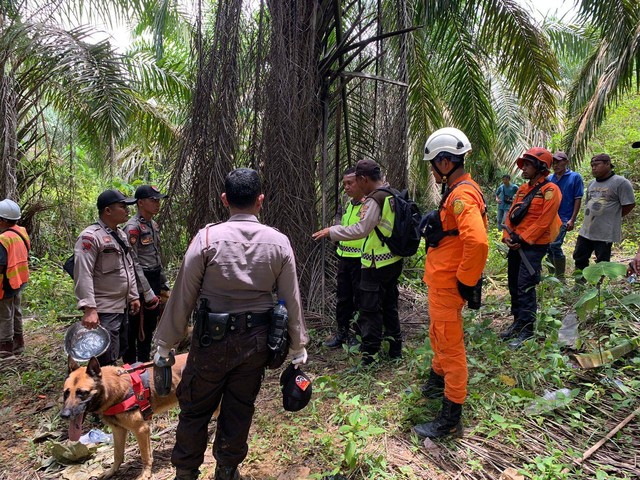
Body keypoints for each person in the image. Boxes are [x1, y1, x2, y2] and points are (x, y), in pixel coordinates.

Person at [152, 168, 308, 480]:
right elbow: (291, 299)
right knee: (239, 408)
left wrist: (164, 345)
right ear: (260, 201)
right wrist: (298, 349)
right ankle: (226, 470)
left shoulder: (207, 239)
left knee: (194, 409)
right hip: (257, 344)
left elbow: (183, 295)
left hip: (211, 342)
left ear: (225, 200)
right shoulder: (279, 242)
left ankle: (185, 473)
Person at [412, 128, 489, 439]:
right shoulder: (458, 190)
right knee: (439, 334)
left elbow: (479, 243)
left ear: (445, 163)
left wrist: (464, 282)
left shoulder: (461, 195)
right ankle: (436, 379)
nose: (432, 171)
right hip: (442, 281)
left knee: (450, 344)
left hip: (449, 284)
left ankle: (450, 417)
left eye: (433, 165)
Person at [312, 158, 403, 366]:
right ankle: (394, 349)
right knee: (388, 305)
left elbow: (362, 229)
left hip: (374, 262)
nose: (351, 187)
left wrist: (331, 231)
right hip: (392, 260)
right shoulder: (393, 194)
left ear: (363, 179)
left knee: (370, 309)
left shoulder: (375, 199)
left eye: (355, 182)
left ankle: (369, 356)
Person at [501, 148, 561, 349]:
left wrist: (523, 239)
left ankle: (527, 330)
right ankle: (517, 323)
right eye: (523, 165)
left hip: (534, 247)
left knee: (525, 285)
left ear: (540, 167)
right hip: (516, 244)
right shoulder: (522, 189)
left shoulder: (550, 190)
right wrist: (507, 236)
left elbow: (545, 221)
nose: (523, 169)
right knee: (513, 283)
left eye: (528, 165)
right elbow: (511, 214)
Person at [74, 190, 141, 366]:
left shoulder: (121, 234)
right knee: (104, 355)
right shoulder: (90, 236)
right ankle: (100, 388)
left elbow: (129, 267)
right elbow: (83, 273)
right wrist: (90, 308)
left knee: (118, 349)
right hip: (104, 307)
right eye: (122, 206)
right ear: (107, 211)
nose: (127, 210)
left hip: (121, 305)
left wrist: (133, 295)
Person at [122, 185, 169, 363]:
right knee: (135, 325)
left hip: (154, 277)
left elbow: (156, 255)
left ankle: (144, 361)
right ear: (140, 203)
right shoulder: (132, 228)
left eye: (158, 200)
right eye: (153, 200)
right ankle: (130, 364)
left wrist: (162, 282)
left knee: (149, 324)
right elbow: (133, 262)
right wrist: (146, 290)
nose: (157, 204)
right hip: (140, 281)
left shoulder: (152, 224)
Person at [572, 153, 635, 274]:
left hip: (604, 232)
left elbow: (629, 205)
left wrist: (613, 216)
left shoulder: (620, 183)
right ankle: (580, 283)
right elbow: (588, 203)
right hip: (586, 230)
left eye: (596, 165)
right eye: (592, 166)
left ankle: (598, 286)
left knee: (602, 262)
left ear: (607, 164)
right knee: (579, 256)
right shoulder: (591, 183)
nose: (593, 168)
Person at [324, 167, 364, 349]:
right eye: (344, 184)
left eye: (350, 183)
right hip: (344, 258)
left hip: (361, 259)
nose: (346, 187)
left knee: (359, 298)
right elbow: (340, 222)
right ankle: (342, 332)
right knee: (343, 298)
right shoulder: (346, 203)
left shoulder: (368, 204)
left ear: (360, 182)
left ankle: (357, 334)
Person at [0, 199, 30, 359]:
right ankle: (19, 345)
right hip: (19, 281)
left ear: (3, 220)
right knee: (16, 312)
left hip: (5, 283)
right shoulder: (21, 232)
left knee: (4, 316)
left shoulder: (4, 239)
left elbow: (1, 264)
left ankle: (5, 350)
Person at [547, 151, 584, 280]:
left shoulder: (574, 177)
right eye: (554, 163)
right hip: (549, 218)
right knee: (548, 246)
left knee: (555, 245)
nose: (555, 165)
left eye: (558, 162)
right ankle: (552, 277)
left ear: (566, 162)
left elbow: (577, 198)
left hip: (564, 218)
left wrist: (572, 219)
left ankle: (560, 277)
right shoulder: (550, 179)